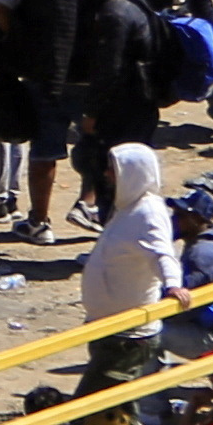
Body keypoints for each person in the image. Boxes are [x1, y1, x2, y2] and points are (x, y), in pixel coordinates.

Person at [77, 138, 181, 393]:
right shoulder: (129, 207)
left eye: (113, 169)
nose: (107, 175)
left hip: (127, 337)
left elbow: (162, 254)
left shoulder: (147, 213)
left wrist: (173, 286)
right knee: (113, 414)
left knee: (97, 410)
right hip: (109, 331)